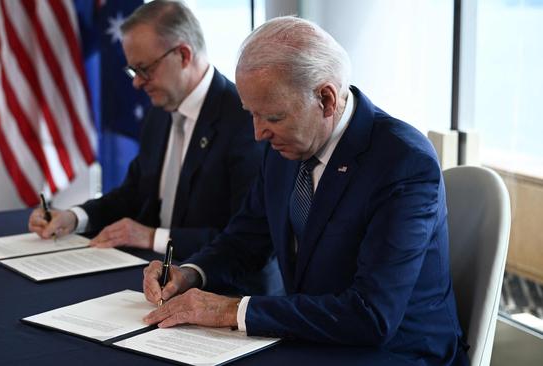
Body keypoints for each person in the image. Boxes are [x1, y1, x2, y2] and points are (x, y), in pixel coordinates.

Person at [141, 16, 470, 365]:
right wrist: (191, 273)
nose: (258, 134)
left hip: (398, 352)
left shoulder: (403, 162)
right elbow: (245, 239)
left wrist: (230, 309)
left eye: (272, 117)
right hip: (312, 339)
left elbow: (372, 315)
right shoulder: (283, 148)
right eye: (251, 114)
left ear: (326, 99)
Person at [28, 0, 282, 294]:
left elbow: (247, 238)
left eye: (144, 69)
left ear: (183, 55)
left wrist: (152, 237)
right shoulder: (159, 111)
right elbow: (134, 192)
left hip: (225, 289)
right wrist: (74, 217)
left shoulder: (245, 120)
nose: (136, 83)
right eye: (132, 70)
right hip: (155, 277)